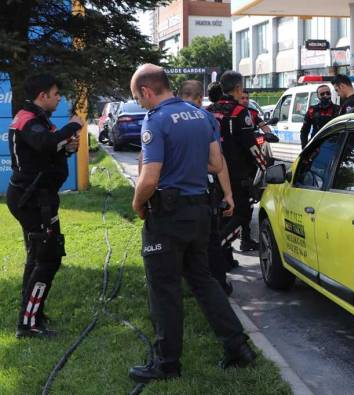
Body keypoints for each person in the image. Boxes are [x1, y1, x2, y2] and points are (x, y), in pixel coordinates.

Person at [128, 64, 255, 383]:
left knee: (164, 288)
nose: (140, 104)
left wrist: (138, 203)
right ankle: (238, 347)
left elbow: (150, 177)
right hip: (200, 211)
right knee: (203, 280)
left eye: (138, 98)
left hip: (168, 216)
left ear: (146, 91)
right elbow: (215, 162)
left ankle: (167, 364)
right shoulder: (202, 115)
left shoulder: (155, 120)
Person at [6, 73, 83, 338]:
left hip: (40, 198)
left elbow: (49, 151)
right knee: (47, 258)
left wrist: (68, 148)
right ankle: (28, 324)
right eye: (55, 93)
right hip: (31, 200)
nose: (59, 97)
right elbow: (46, 143)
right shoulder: (28, 120)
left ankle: (32, 311)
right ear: (42, 96)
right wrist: (73, 126)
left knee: (38, 255)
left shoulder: (39, 120)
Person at [178, 80, 237, 293]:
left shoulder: (162, 117)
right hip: (203, 193)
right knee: (210, 242)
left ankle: (186, 285)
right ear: (199, 97)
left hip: (172, 198)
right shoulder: (207, 119)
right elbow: (218, 161)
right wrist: (228, 194)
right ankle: (218, 286)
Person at [207, 71, 263, 252]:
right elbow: (252, 146)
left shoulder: (209, 111)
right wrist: (266, 167)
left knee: (222, 215)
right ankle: (216, 252)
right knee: (242, 214)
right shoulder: (240, 111)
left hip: (213, 172)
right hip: (236, 173)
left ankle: (222, 258)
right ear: (238, 88)